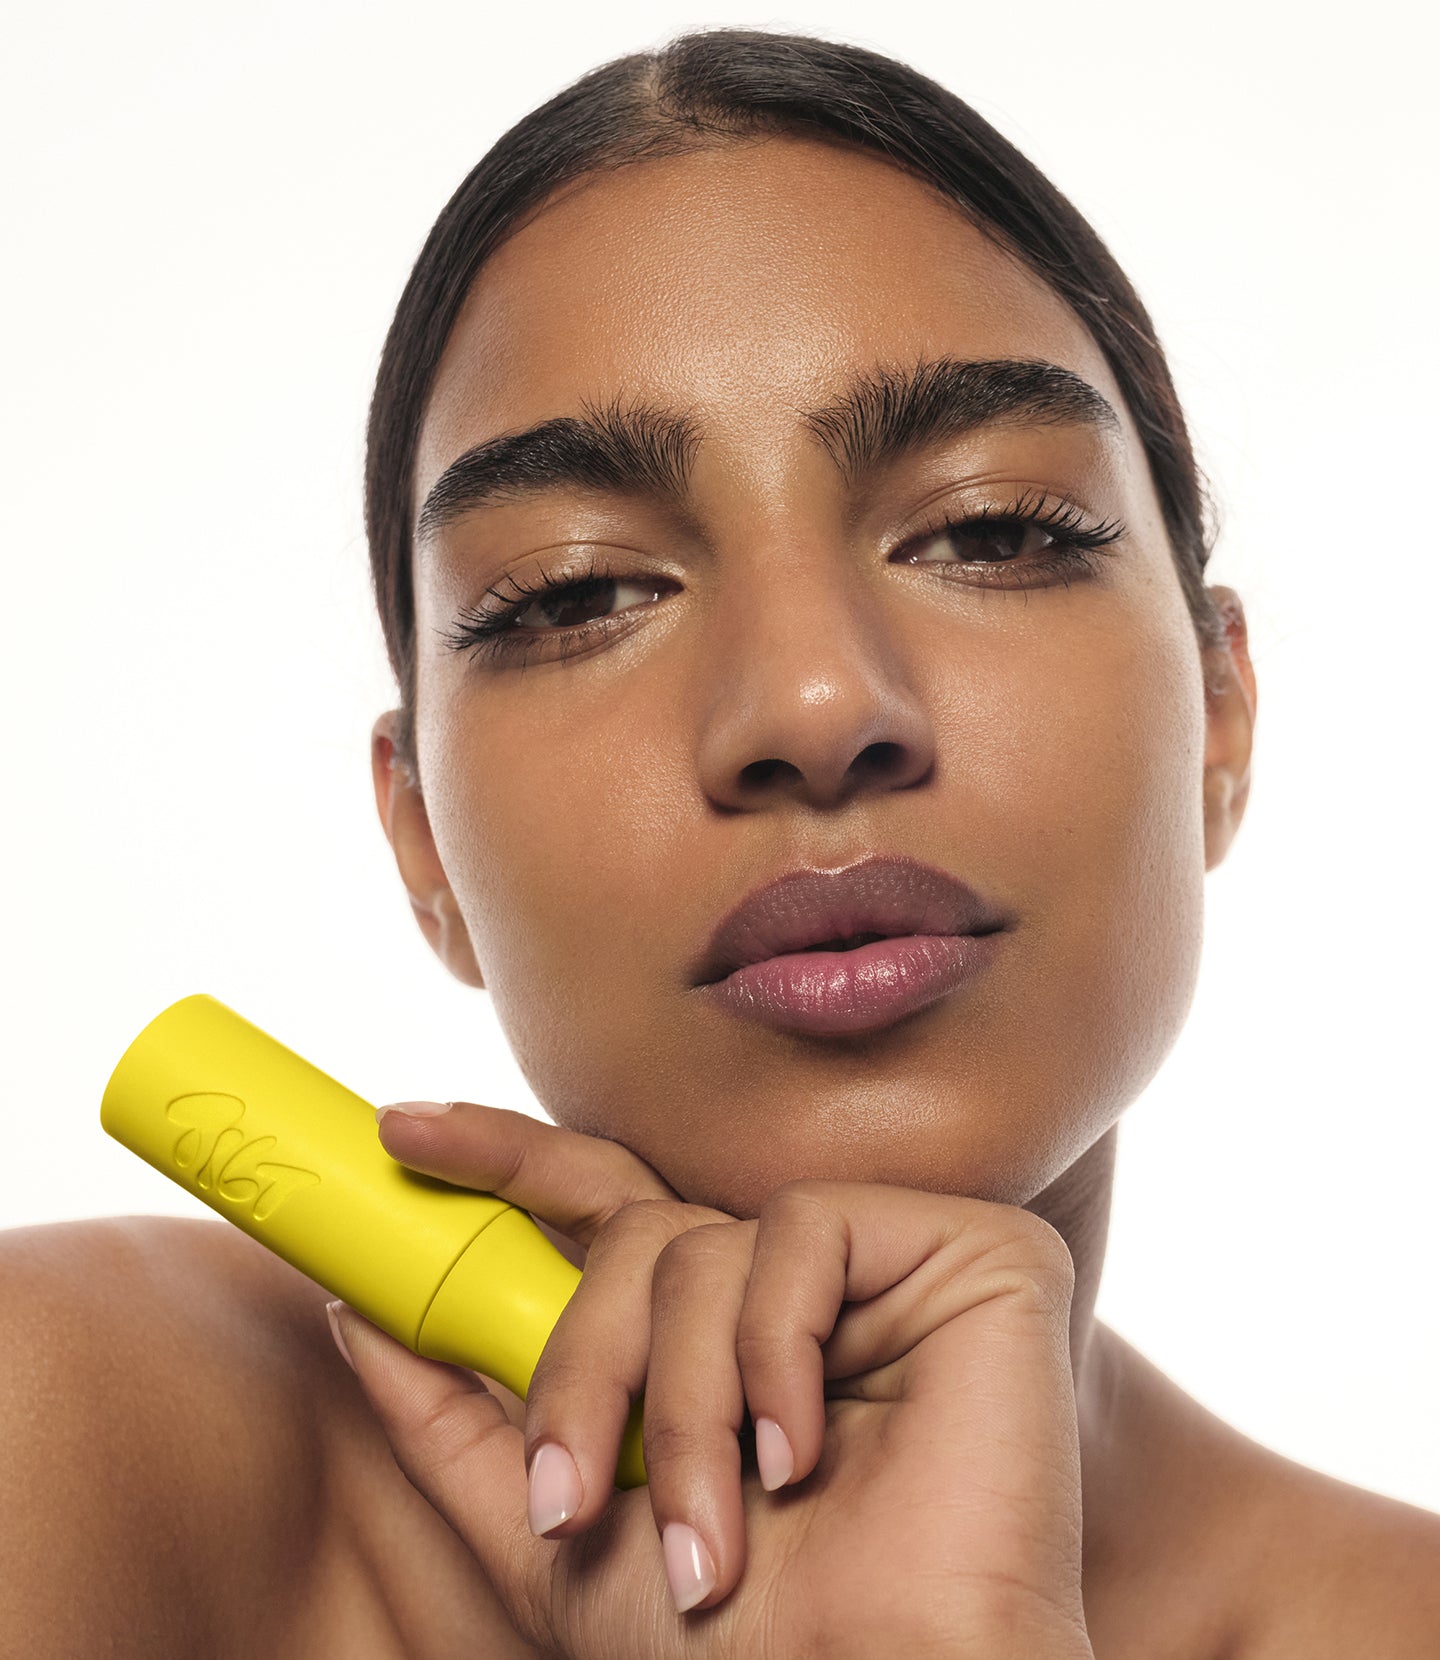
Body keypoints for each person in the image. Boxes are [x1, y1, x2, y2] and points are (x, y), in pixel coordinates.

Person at [4, 25, 1437, 1659]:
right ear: (423, 845)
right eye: (577, 592)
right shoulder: (68, 1448)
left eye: (986, 529)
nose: (816, 702)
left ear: (1220, 721)